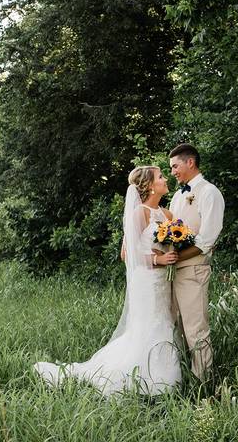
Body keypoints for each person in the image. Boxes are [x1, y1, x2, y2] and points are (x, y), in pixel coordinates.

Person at [33, 166, 181, 395]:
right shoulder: (139, 213)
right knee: (148, 324)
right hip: (146, 280)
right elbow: (126, 254)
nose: (165, 179)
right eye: (161, 177)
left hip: (163, 281)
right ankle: (142, 376)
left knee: (164, 320)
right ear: (150, 186)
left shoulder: (167, 214)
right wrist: (158, 259)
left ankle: (165, 372)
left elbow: (175, 240)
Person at [168, 143, 224, 382]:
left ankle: (204, 381)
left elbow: (207, 239)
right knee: (176, 327)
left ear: (190, 162)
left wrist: (177, 257)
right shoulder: (177, 195)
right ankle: (181, 376)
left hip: (194, 269)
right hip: (172, 271)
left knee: (195, 328)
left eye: (175, 166)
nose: (172, 172)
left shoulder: (209, 192)